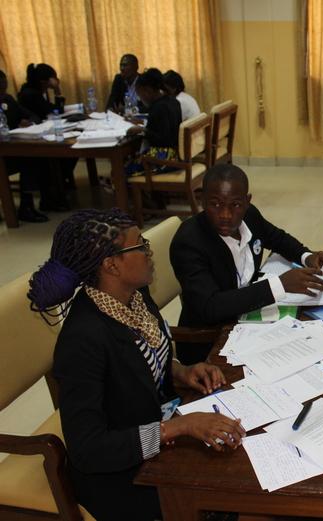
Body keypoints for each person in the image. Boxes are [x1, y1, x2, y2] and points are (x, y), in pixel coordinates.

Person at [27, 208, 245, 521]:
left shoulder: (134, 295)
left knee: (234, 466)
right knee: (227, 497)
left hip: (155, 426)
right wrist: (178, 427)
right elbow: (88, 450)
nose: (148, 251)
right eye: (140, 245)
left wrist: (181, 370)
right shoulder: (83, 339)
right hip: (119, 474)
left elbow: (138, 361)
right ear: (110, 264)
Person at [171, 164, 323, 364]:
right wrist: (279, 285)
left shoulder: (248, 216)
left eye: (235, 205)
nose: (226, 215)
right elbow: (210, 306)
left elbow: (276, 238)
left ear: (247, 202)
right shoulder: (189, 241)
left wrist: (305, 255)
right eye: (216, 204)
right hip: (209, 343)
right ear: (202, 200)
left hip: (249, 321)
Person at [0, 69, 56, 222]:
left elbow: (33, 115)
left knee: (39, 157)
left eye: (4, 87)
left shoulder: (8, 100)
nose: (2, 93)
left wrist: (28, 121)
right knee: (28, 161)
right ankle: (26, 207)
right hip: (3, 155)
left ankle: (46, 199)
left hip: (12, 149)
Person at [17, 63, 78, 196]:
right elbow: (55, 111)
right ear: (44, 81)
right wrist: (57, 91)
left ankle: (60, 181)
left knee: (73, 147)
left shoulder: (37, 91)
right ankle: (56, 184)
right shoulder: (30, 94)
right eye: (54, 78)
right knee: (70, 149)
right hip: (34, 139)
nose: (56, 81)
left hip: (43, 131)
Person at [125, 68, 182, 176]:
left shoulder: (158, 108)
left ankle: (128, 190)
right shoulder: (173, 101)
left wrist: (143, 130)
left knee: (120, 171)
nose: (140, 98)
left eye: (139, 94)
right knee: (130, 161)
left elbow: (162, 139)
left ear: (148, 90)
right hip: (176, 154)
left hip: (164, 158)